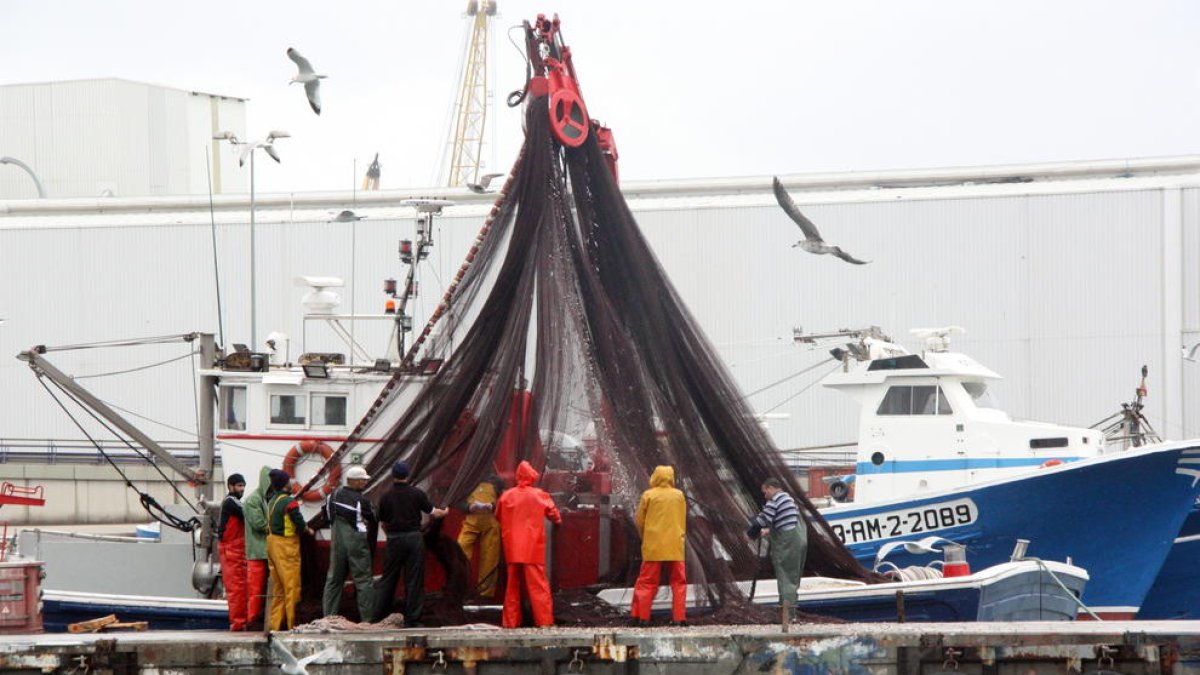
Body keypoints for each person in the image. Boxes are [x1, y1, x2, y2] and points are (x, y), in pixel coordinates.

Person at [373, 461, 447, 626]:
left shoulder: (385, 496)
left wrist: (391, 536)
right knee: (414, 579)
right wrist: (445, 511)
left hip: (394, 538)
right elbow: (434, 513)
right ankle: (412, 620)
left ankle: (379, 617)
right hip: (414, 538)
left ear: (393, 475)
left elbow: (382, 522)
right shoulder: (417, 493)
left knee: (388, 579)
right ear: (407, 474)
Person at [496, 460, 562, 628]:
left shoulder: (506, 495)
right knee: (538, 585)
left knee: (512, 586)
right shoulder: (539, 495)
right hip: (533, 548)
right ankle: (544, 621)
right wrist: (558, 521)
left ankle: (510, 622)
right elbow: (554, 514)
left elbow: (498, 515)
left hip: (512, 548)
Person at [630, 465, 688, 626]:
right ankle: (679, 619)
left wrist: (645, 538)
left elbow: (639, 521)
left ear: (655, 476)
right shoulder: (679, 495)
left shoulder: (648, 495)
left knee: (646, 582)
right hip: (675, 546)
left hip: (653, 546)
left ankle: (642, 618)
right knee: (679, 583)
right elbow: (682, 519)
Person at [322, 465, 377, 621]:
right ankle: (367, 621)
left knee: (333, 580)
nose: (365, 483)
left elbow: (326, 518)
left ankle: (328, 619)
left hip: (337, 543)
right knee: (363, 581)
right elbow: (373, 517)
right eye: (363, 480)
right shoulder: (362, 500)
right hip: (357, 544)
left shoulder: (331, 496)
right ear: (355, 481)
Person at [751, 477, 807, 620]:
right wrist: (768, 531)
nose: (765, 496)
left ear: (771, 488)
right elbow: (785, 521)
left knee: (785, 579)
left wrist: (751, 531)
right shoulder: (788, 499)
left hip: (787, 544)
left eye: (765, 492)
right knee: (793, 579)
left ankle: (787, 617)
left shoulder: (775, 500)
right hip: (799, 541)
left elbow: (763, 520)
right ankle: (789, 614)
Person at [266, 468, 312, 630]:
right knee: (292, 586)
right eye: (289, 481)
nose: (291, 483)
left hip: (272, 544)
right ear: (285, 484)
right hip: (286, 546)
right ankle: (293, 624)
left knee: (278, 588)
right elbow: (298, 521)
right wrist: (308, 530)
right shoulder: (289, 502)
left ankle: (275, 626)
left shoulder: (272, 501)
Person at [455, 475, 504, 598]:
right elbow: (457, 501)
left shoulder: (496, 481)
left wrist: (493, 506)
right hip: (471, 523)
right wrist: (469, 507)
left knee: (490, 559)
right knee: (460, 553)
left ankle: (485, 595)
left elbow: (504, 500)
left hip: (490, 525)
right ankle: (460, 589)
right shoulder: (467, 479)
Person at [241, 466, 272, 630]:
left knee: (261, 591)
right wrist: (277, 528)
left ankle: (257, 621)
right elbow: (259, 523)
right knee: (255, 591)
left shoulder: (263, 499)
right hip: (256, 554)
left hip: (264, 553)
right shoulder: (253, 500)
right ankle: (252, 622)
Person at [216, 473, 248, 631]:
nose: (242, 489)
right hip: (232, 550)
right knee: (237, 588)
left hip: (232, 550)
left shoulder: (231, 502)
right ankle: (238, 624)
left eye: (243, 486)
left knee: (238, 587)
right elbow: (248, 514)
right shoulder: (232, 501)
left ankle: (240, 622)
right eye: (239, 486)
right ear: (230, 486)